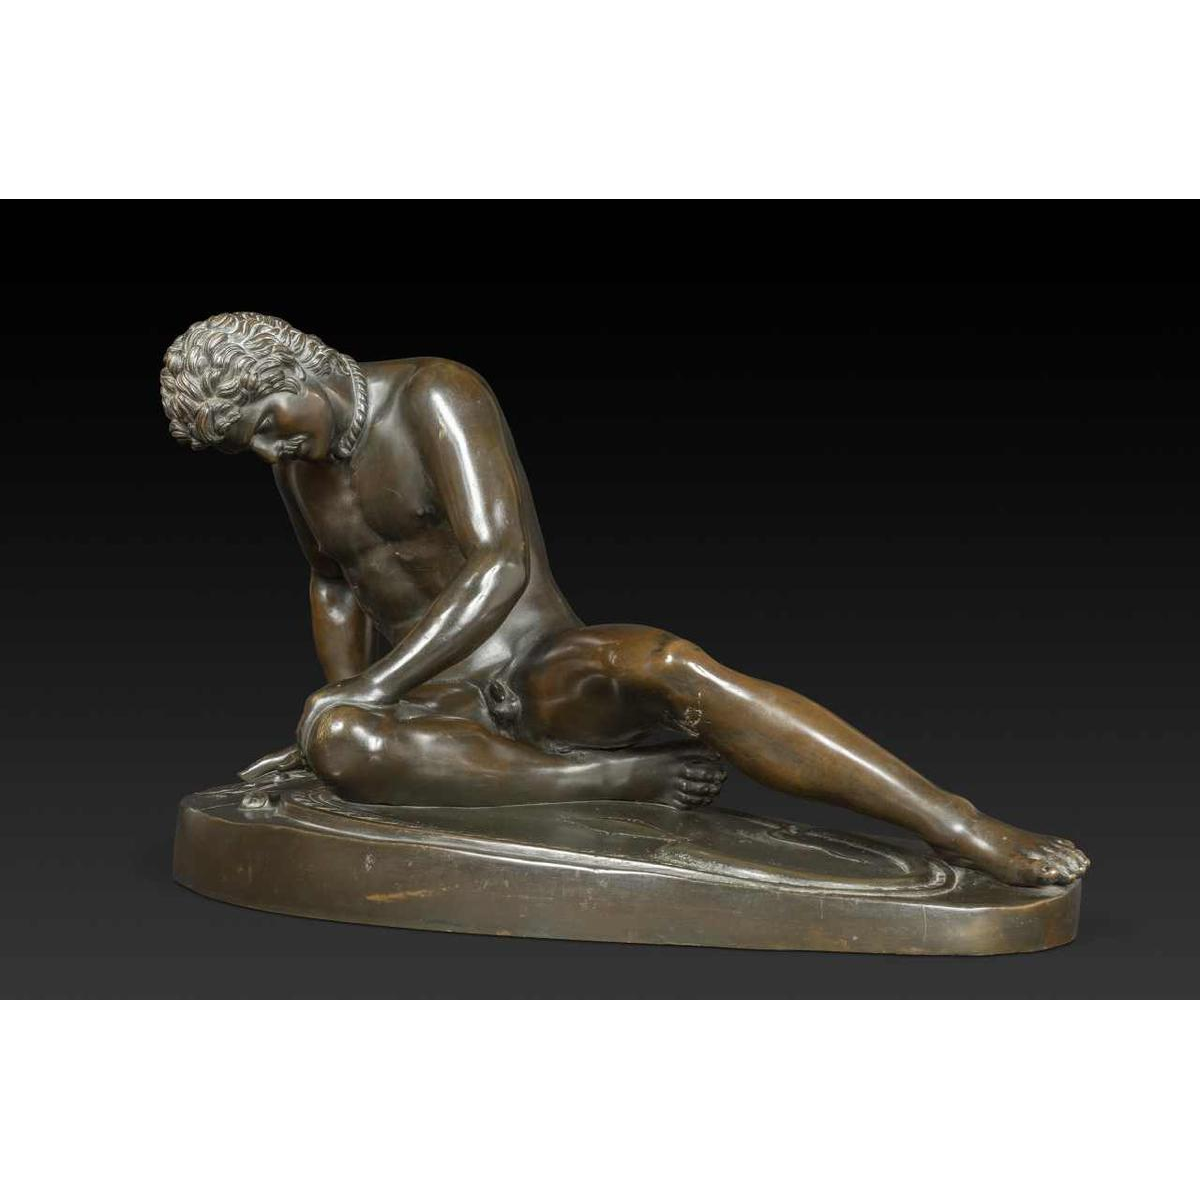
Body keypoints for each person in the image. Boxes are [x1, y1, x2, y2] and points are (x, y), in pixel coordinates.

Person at [161, 312, 1089, 887]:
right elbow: (333, 581)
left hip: (534, 666)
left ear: (301, 368)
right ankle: (616, 783)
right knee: (339, 741)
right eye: (250, 448)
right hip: (435, 704)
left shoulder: (434, 394)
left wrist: (370, 688)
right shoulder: (298, 467)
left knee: (668, 664)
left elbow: (501, 564)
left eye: (269, 426)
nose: (271, 454)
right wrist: (341, 706)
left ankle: (959, 824)